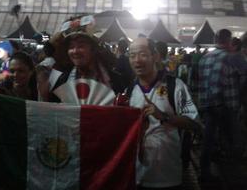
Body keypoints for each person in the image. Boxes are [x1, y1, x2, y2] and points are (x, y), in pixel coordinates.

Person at [127, 36, 199, 189]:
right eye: (132, 55)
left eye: (143, 54)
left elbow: (194, 124)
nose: (137, 60)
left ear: (156, 56)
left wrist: (164, 116)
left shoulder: (175, 86)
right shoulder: (128, 91)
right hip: (137, 175)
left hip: (168, 176)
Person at [198, 29, 247, 181]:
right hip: (226, 104)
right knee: (233, 140)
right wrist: (239, 93)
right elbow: (245, 77)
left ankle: (204, 172)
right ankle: (234, 176)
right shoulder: (232, 57)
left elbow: (197, 80)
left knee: (208, 139)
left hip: (207, 104)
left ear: (215, 40)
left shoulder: (204, 58)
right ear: (228, 40)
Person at [49, 15, 126, 104]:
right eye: (71, 47)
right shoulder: (63, 81)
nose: (75, 51)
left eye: (81, 46)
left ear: (93, 49)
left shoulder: (114, 80)